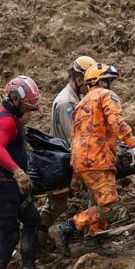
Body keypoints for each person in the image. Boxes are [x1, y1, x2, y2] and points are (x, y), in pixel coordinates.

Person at [50, 63, 135, 253]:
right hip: (98, 160)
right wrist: (132, 143)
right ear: (102, 81)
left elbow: (75, 138)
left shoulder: (81, 104)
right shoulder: (106, 96)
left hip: (82, 161)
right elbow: (116, 120)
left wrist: (75, 173)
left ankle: (94, 239)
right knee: (110, 207)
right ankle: (69, 227)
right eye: (109, 81)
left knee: (100, 202)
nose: (112, 85)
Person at [0, 75, 51, 269]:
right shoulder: (5, 120)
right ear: (14, 99)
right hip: (2, 186)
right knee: (8, 233)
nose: (29, 111)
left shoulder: (14, 116)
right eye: (27, 107)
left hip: (12, 186)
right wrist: (17, 171)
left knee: (32, 220)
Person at [38, 55, 96, 241]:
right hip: (62, 161)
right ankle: (34, 236)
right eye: (88, 83)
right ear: (79, 80)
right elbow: (75, 137)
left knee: (59, 203)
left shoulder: (70, 98)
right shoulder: (67, 104)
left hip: (62, 159)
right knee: (57, 204)